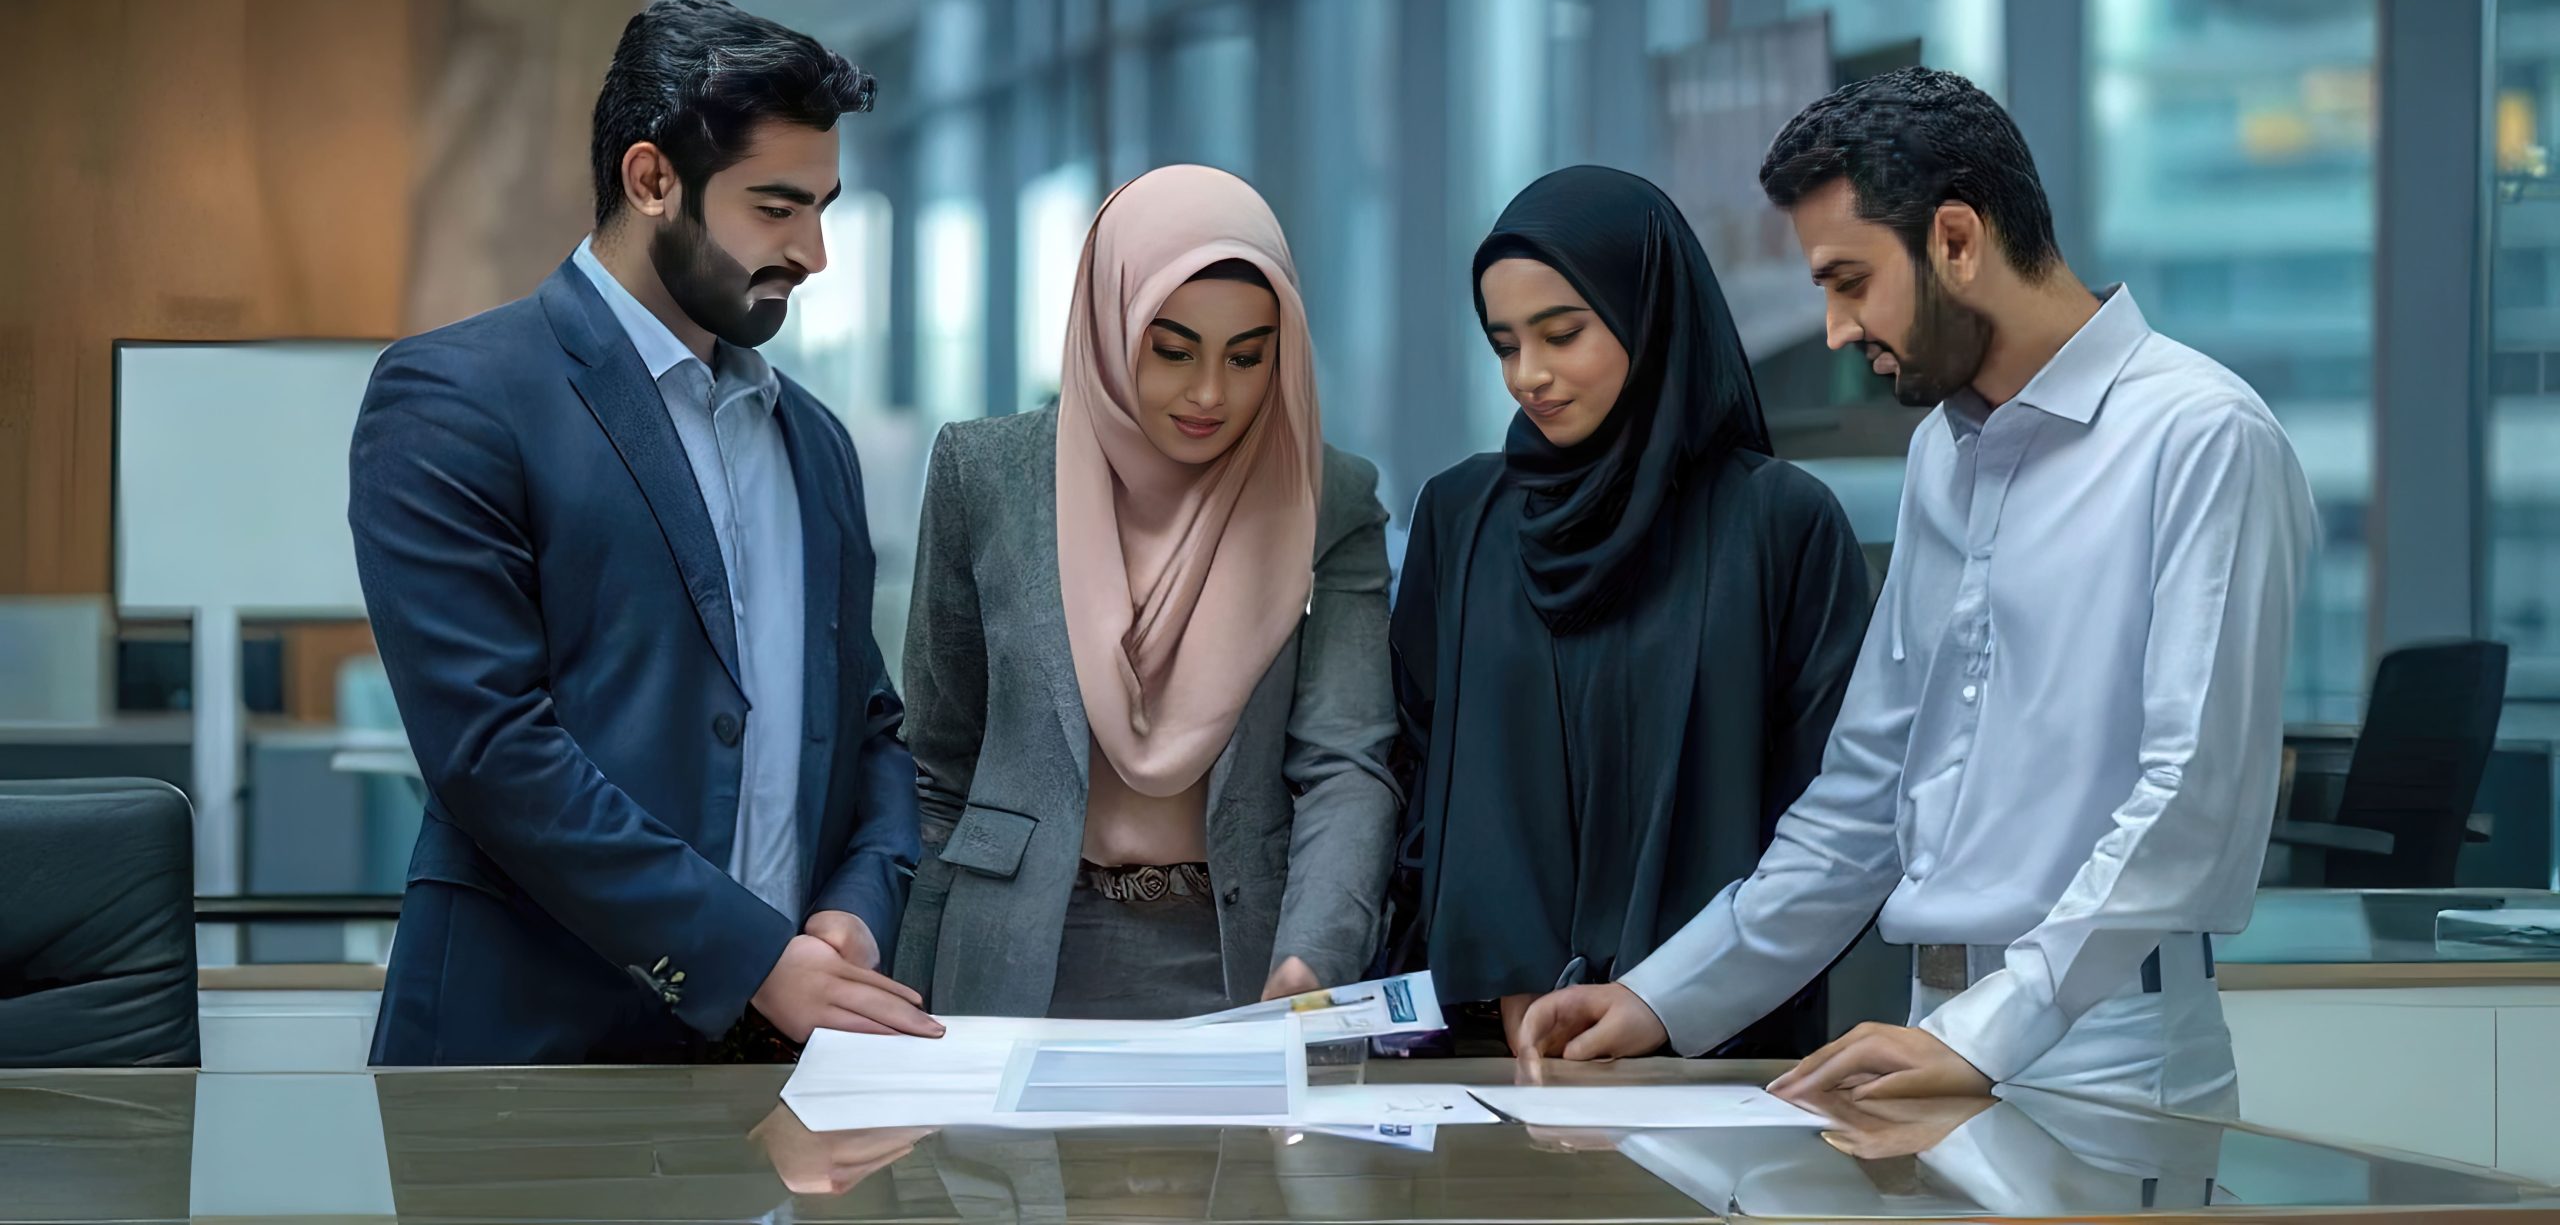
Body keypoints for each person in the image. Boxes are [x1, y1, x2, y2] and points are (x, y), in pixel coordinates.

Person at [1516, 68, 2317, 1114]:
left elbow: (2188, 803)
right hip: (1924, 1037)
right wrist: (1661, 996)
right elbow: (1862, 798)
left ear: (1953, 239)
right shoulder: (1944, 454)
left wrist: (1995, 1030)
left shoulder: (2203, 436)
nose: (1838, 329)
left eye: (1849, 279)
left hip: (2106, 1048)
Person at [351, 0, 937, 1064]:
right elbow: (491, 751)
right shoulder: (453, 397)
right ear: (651, 179)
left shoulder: (814, 441)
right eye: (776, 206)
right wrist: (752, 956)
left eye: (824, 207)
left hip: (783, 1063)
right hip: (524, 1063)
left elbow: (868, 728)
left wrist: (854, 912)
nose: (813, 252)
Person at [1380, 165, 1872, 1057]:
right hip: (1492, 1064)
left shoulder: (1779, 527)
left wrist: (1669, 997)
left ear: (1652, 316)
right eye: (1504, 344)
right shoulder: (1460, 521)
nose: (1529, 375)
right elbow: (1416, 789)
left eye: (1563, 334)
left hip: (1714, 1057)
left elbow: (1834, 824)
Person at [892, 164, 1400, 1018]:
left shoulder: (1324, 497)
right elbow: (938, 763)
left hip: (1246, 964)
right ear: (1107, 324)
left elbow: (1347, 764)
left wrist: (1315, 959)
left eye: (1248, 357)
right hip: (1011, 960)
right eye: (1171, 350)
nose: (1210, 393)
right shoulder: (987, 476)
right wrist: (902, 980)